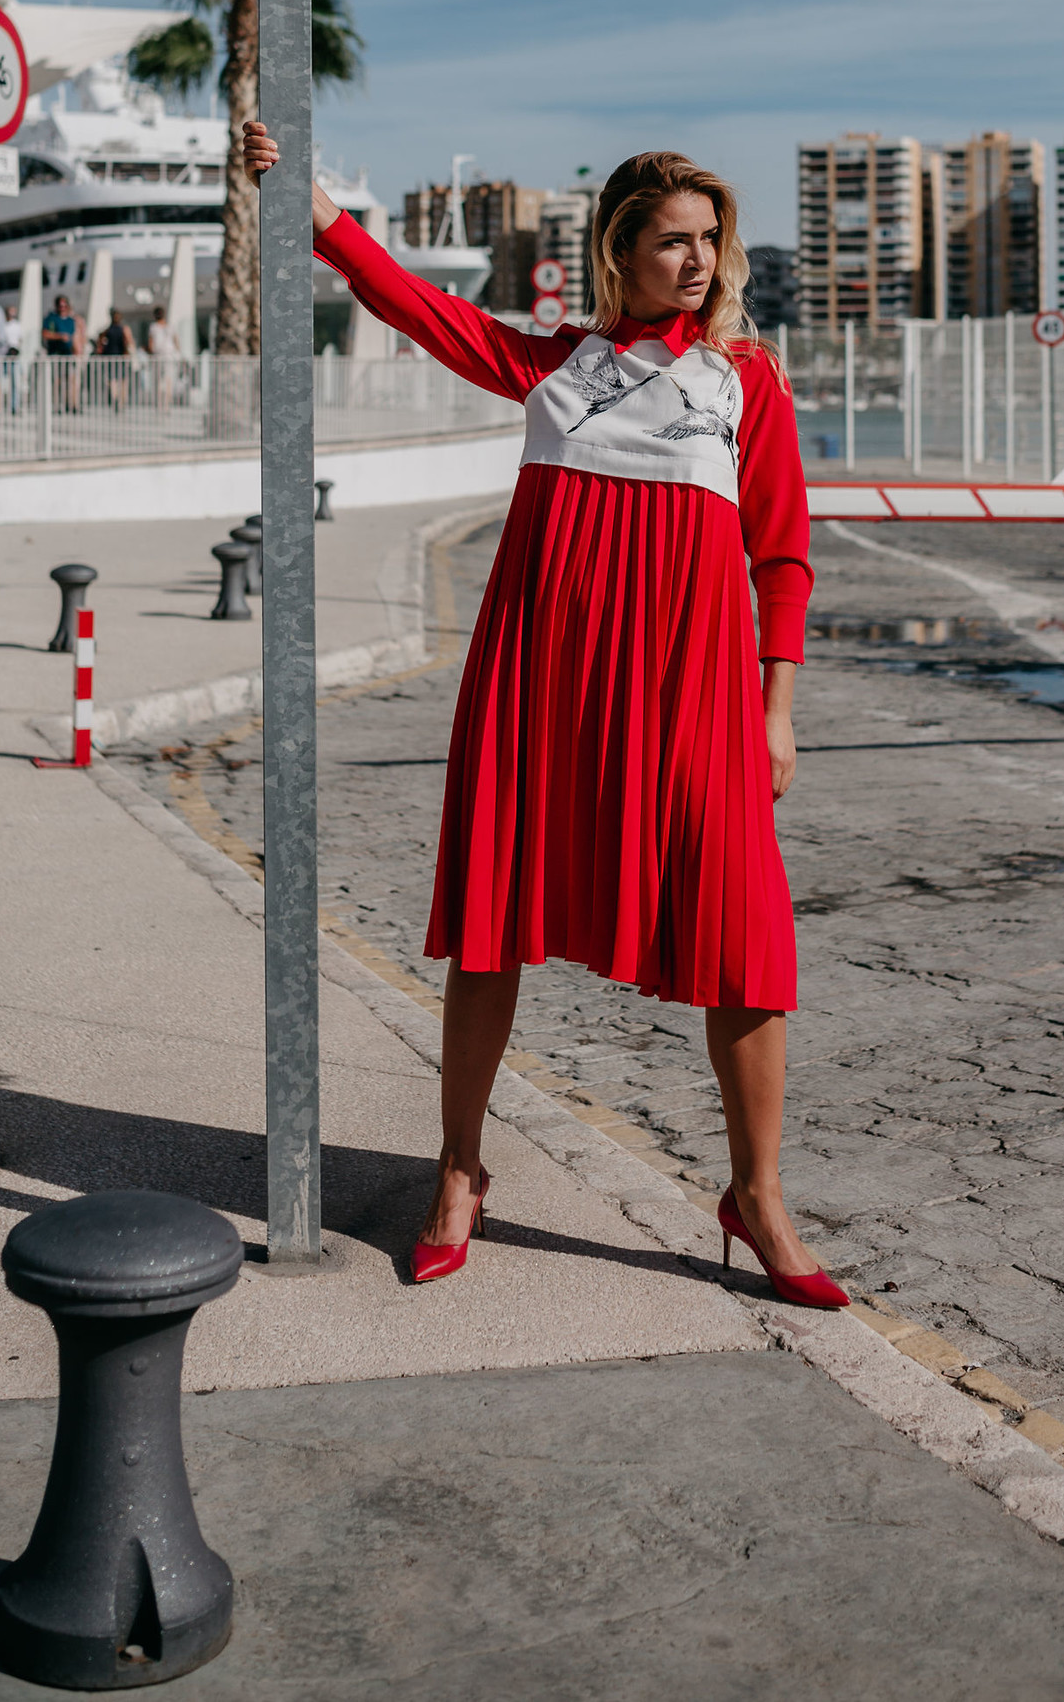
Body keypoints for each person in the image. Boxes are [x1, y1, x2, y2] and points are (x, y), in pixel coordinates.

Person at [243, 123, 847, 1308]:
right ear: (618, 253)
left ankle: (757, 1194)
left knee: (747, 939)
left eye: (710, 241)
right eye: (673, 241)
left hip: (697, 695)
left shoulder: (745, 382)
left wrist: (778, 712)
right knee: (493, 922)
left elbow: (780, 557)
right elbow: (419, 310)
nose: (699, 261)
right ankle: (460, 1169)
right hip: (544, 680)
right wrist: (311, 207)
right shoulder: (559, 367)